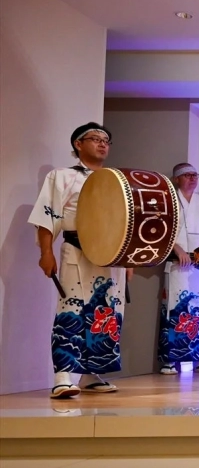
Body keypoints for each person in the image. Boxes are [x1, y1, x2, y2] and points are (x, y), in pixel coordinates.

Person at [29, 122, 128, 398]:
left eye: (106, 140)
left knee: (107, 312)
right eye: (95, 139)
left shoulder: (116, 179)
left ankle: (90, 373)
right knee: (71, 311)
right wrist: (46, 252)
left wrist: (128, 260)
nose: (102, 143)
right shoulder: (61, 176)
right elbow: (47, 217)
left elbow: (126, 221)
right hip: (77, 249)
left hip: (112, 256)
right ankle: (63, 375)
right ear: (78, 144)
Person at [158, 163, 199, 375]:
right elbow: (160, 230)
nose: (192, 178)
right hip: (177, 265)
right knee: (173, 309)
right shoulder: (168, 203)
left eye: (195, 174)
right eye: (187, 175)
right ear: (177, 179)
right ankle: (169, 359)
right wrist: (176, 249)